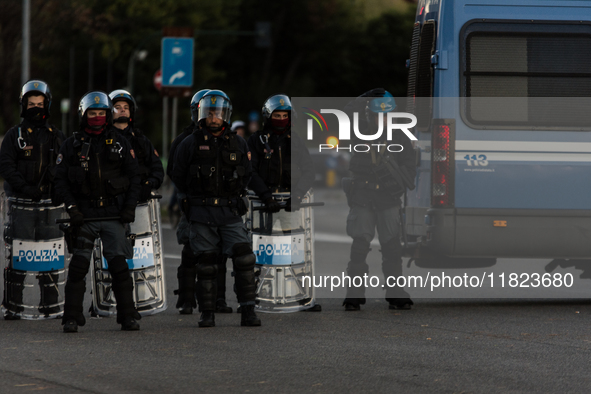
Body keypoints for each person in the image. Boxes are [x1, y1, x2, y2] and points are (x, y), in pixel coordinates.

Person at [172, 89, 261, 328]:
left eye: (218, 113)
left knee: (244, 257)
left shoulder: (238, 142)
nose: (214, 118)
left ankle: (248, 310)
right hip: (201, 213)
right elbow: (177, 175)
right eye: (210, 113)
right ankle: (207, 312)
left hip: (229, 212)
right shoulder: (189, 143)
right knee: (207, 263)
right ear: (201, 114)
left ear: (226, 115)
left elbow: (247, 173)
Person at [54, 91, 141, 332]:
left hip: (114, 215)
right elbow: (60, 181)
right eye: (92, 113)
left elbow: (135, 177)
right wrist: (72, 209)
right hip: (84, 216)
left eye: (102, 113)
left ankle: (127, 316)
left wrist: (129, 208)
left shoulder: (121, 143)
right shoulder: (71, 145)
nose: (97, 117)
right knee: (79, 266)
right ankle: (71, 317)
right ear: (84, 115)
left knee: (119, 267)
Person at [341, 88, 416, 311]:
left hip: (388, 198)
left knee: (392, 248)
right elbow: (347, 113)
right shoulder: (359, 131)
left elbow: (410, 168)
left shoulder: (401, 136)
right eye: (377, 115)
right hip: (363, 196)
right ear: (369, 115)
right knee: (360, 246)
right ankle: (354, 295)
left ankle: (395, 293)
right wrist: (364, 97)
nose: (381, 119)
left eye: (386, 115)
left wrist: (397, 186)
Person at [0, 80, 66, 319]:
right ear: (23, 106)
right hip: (21, 205)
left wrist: (59, 189)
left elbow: (65, 165)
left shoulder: (56, 136)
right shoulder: (13, 135)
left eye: (40, 104)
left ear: (47, 105)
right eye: (31, 104)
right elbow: (6, 166)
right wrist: (26, 188)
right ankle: (13, 306)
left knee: (49, 255)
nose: (36, 108)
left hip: (50, 207)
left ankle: (50, 305)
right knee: (19, 255)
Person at [168, 89, 233, 315]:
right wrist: (186, 196)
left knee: (220, 253)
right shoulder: (185, 140)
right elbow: (173, 172)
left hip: (218, 206)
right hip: (193, 204)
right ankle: (186, 299)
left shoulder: (225, 138)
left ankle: (219, 299)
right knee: (191, 251)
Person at [247, 94, 315, 225]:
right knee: (258, 243)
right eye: (277, 116)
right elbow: (250, 172)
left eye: (285, 116)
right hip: (260, 203)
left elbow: (309, 171)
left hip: (290, 203)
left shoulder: (296, 142)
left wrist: (297, 196)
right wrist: (266, 197)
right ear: (268, 117)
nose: (281, 119)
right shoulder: (256, 140)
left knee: (295, 244)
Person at [109, 89, 163, 202]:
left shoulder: (141, 141)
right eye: (117, 107)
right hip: (112, 201)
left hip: (140, 202)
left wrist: (149, 184)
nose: (123, 110)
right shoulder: (104, 140)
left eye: (126, 107)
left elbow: (157, 169)